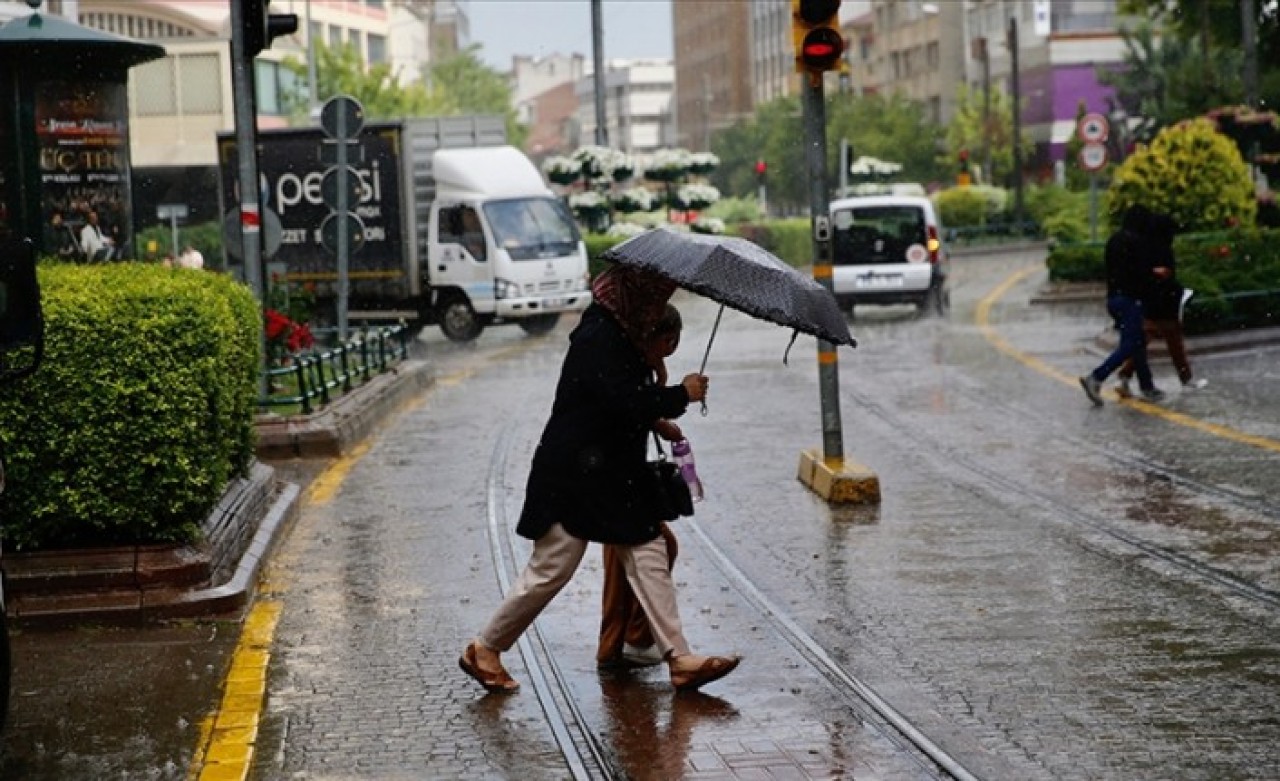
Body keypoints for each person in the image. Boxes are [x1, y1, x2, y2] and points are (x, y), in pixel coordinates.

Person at [459, 266, 741, 693]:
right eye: (650, 299)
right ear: (631, 297)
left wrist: (659, 416)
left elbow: (619, 403)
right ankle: (484, 648)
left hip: (612, 478)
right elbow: (619, 401)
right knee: (553, 567)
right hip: (574, 477)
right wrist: (680, 394)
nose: (654, 309)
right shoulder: (600, 338)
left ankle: (679, 658)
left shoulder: (621, 336)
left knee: (648, 552)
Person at [598, 304, 685, 669]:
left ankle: (627, 639)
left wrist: (659, 423)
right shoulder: (625, 363)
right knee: (644, 553)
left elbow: (639, 408)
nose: (669, 350)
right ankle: (624, 640)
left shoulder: (645, 365)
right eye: (667, 342)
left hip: (621, 475)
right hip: (610, 474)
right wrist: (677, 394)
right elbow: (624, 408)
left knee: (630, 560)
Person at [1079, 204, 1164, 405]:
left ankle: (1147, 386)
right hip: (1130, 300)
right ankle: (1096, 377)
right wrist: (1155, 278)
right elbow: (1141, 274)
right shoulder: (1138, 242)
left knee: (1137, 343)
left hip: (1114, 299)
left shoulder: (1114, 240)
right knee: (1132, 344)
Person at [1114, 212, 1207, 396]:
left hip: (1150, 303)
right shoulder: (1163, 249)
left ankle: (1125, 374)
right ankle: (1185, 379)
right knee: (1174, 344)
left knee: (1144, 341)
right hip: (1165, 304)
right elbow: (1167, 276)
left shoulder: (1143, 247)